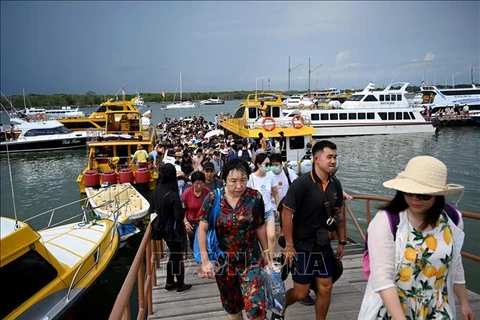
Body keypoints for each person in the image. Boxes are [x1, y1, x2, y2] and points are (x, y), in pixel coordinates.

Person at [358, 156, 475, 320]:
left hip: (438, 309)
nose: (414, 199)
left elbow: (455, 263)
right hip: (394, 310)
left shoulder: (452, 220)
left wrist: (464, 301)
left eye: (423, 195)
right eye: (409, 192)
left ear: (437, 194)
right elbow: (383, 280)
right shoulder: (386, 221)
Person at [278, 140, 346, 320]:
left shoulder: (335, 184)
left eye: (335, 157)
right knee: (301, 292)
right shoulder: (302, 184)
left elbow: (339, 212)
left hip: (322, 244)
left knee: (326, 286)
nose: (333, 161)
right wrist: (289, 245)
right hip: (302, 245)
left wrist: (342, 241)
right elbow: (286, 212)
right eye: (329, 157)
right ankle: (280, 307)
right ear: (316, 159)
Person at [197, 158, 271, 320]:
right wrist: (205, 260)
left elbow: (259, 226)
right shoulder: (213, 198)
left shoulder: (254, 198)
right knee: (233, 308)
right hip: (223, 262)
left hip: (251, 260)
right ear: (224, 180)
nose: (239, 186)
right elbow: (202, 229)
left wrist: (266, 252)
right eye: (233, 181)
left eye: (243, 180)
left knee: (256, 308)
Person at [152, 163, 192, 294]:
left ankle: (169, 282)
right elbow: (179, 216)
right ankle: (180, 284)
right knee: (177, 256)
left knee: (172, 255)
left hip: (162, 228)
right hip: (174, 230)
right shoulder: (173, 195)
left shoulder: (157, 190)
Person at [247, 154, 280, 264]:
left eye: (269, 164)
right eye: (266, 164)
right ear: (258, 164)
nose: (269, 167)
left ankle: (270, 261)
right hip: (256, 213)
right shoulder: (251, 178)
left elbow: (275, 192)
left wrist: (278, 207)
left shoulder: (270, 176)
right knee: (259, 239)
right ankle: (262, 259)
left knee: (271, 236)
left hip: (268, 210)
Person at [181, 171, 210, 255]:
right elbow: (182, 210)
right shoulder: (186, 193)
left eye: (201, 183)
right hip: (191, 222)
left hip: (203, 221)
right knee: (194, 243)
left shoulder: (207, 192)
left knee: (205, 243)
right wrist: (186, 223)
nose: (199, 186)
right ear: (192, 183)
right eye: (196, 184)